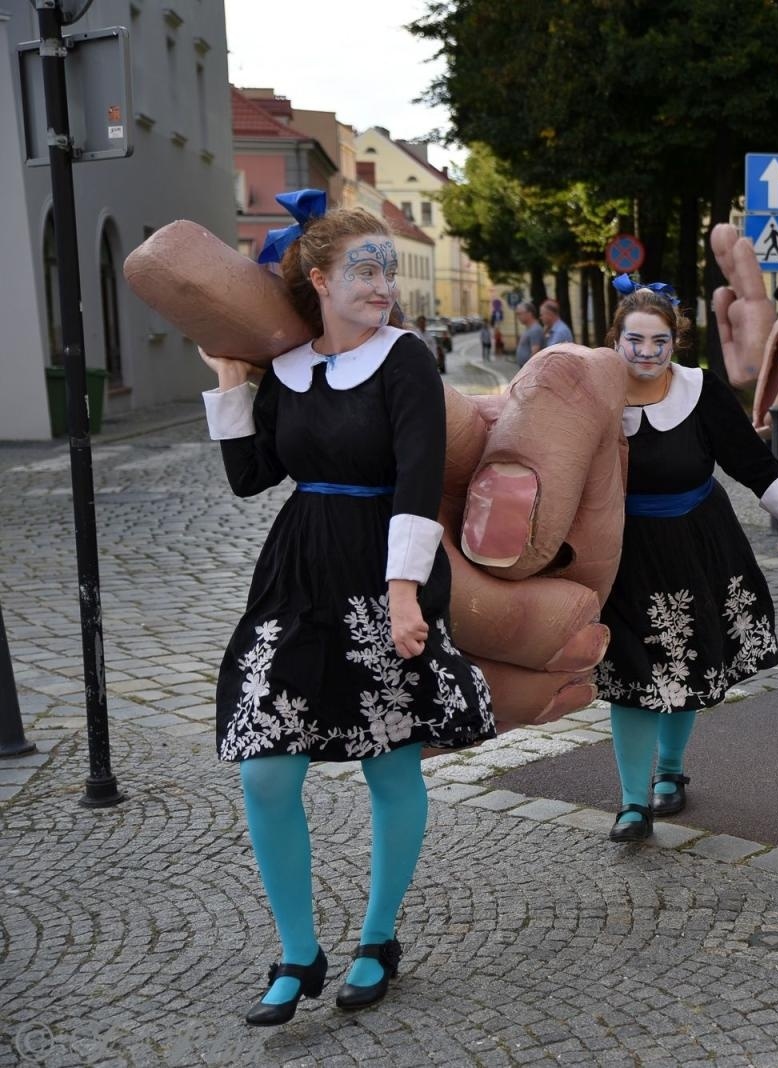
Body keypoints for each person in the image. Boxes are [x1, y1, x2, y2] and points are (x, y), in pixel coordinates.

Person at [200, 197, 493, 1026]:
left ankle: (376, 936)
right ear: (318, 277)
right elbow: (252, 475)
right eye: (365, 269)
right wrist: (230, 384)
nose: (383, 284)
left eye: (388, 268)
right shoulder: (289, 367)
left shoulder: (406, 359)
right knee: (265, 764)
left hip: (383, 570)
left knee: (390, 762)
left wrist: (405, 592)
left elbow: (417, 473)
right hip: (296, 574)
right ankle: (299, 951)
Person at [598, 277, 778, 843]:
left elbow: (754, 465)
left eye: (660, 341)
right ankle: (631, 803)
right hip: (622, 551)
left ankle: (669, 772)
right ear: (615, 340)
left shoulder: (700, 390)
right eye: (635, 340)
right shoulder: (591, 391)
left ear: (676, 342)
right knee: (630, 673)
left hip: (698, 542)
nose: (647, 352)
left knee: (684, 661)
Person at [513, 302, 544, 369]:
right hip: (524, 367)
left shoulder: (535, 330)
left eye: (519, 314)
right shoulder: (529, 328)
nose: (518, 317)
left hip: (529, 369)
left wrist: (529, 369)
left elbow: (535, 353)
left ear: (529, 313)